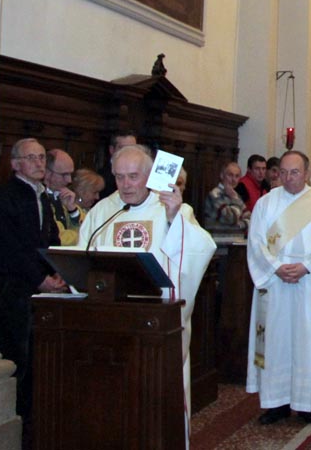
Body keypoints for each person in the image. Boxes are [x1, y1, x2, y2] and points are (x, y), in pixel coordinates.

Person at [80, 144, 216, 417]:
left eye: (133, 176)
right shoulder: (103, 211)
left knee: (155, 398)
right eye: (119, 177)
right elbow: (83, 259)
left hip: (156, 321)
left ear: (149, 175)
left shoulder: (170, 206)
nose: (125, 185)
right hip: (112, 320)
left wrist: (174, 219)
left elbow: (200, 249)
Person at [246, 151, 311, 425]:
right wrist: (276, 267)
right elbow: (256, 242)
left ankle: (306, 402)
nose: (288, 178)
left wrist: (306, 267)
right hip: (274, 284)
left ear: (306, 173)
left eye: (295, 172)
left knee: (307, 341)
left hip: (308, 284)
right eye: (283, 172)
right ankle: (276, 403)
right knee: (275, 342)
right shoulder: (265, 204)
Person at [0, 138, 65, 447]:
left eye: (41, 157)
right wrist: (40, 279)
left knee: (39, 361)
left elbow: (49, 240)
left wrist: (59, 269)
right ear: (15, 164)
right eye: (31, 158)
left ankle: (35, 426)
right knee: (18, 359)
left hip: (38, 290)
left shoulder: (43, 196)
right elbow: (9, 247)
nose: (38, 163)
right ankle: (17, 429)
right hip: (12, 291)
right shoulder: (4, 198)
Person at [44, 149, 83, 245]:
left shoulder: (65, 195)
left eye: (70, 174)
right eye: (64, 174)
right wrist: (84, 237)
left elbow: (89, 227)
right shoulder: (40, 198)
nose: (69, 180)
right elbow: (58, 237)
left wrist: (73, 211)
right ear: (47, 172)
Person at [204, 161, 250, 232]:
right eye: (230, 175)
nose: (233, 179)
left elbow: (250, 219)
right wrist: (239, 222)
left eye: (237, 176)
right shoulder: (215, 195)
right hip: (218, 237)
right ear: (222, 175)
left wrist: (238, 224)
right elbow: (230, 218)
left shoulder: (236, 195)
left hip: (237, 237)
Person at [100, 130, 137, 197]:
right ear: (112, 150)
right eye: (124, 148)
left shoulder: (143, 173)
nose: (129, 152)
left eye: (132, 148)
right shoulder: (101, 177)